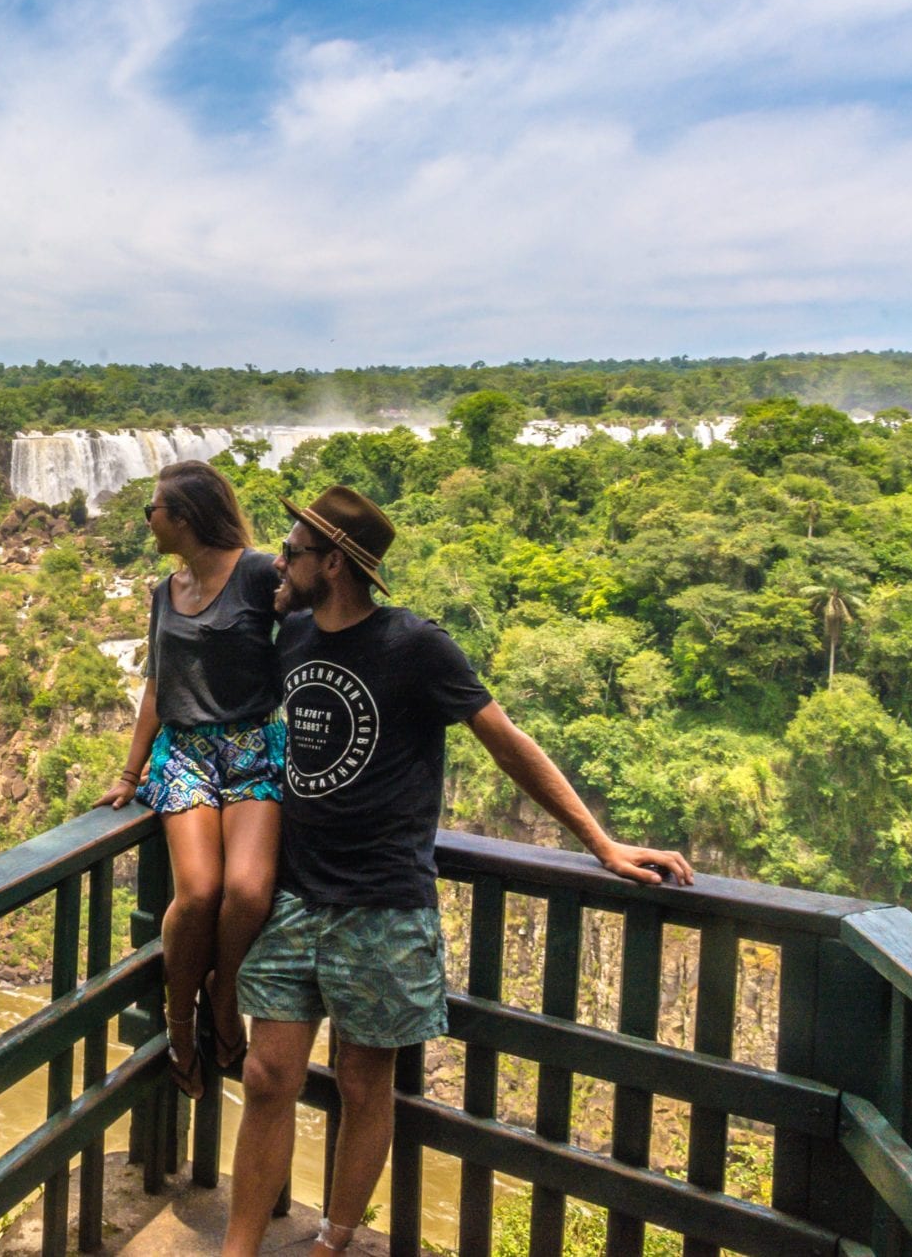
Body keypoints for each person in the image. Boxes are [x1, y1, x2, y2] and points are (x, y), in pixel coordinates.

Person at [223, 486, 694, 1257]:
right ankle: (238, 1249)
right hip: (296, 894)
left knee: (363, 1083)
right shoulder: (295, 633)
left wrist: (601, 843)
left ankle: (333, 1242)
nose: (282, 560)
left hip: (381, 903)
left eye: (296, 550)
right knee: (270, 1073)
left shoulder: (415, 645)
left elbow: (506, 743)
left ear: (335, 562)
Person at [99, 460, 285, 1102]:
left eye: (152, 509)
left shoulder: (260, 574)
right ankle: (181, 1020)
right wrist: (130, 772)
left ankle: (224, 991)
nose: (146, 519)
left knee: (249, 891)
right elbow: (157, 684)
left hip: (253, 744)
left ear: (183, 518)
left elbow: (312, 632)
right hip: (184, 753)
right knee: (200, 892)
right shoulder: (163, 592)